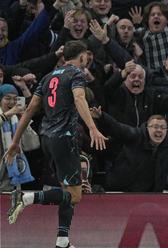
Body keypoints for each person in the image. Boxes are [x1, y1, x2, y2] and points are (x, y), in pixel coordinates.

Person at [5, 40, 107, 248]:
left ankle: (62, 240)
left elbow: (31, 109)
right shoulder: (76, 74)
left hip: (47, 140)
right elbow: (80, 99)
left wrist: (15, 142)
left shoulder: (48, 76)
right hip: (65, 138)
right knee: (74, 195)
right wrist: (92, 128)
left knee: (65, 190)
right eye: (86, 56)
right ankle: (26, 197)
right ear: (81, 57)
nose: (86, 59)